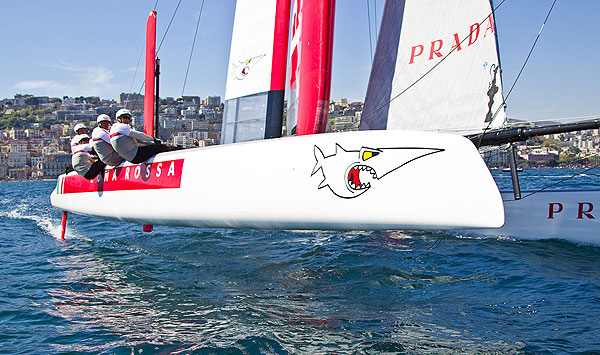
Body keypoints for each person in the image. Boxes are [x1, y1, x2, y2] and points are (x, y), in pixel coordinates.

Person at [110, 108, 175, 164]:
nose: (127, 120)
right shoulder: (122, 127)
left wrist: (151, 143)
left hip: (132, 158)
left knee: (154, 147)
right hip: (136, 154)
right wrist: (153, 139)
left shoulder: (113, 128)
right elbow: (139, 135)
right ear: (118, 118)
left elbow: (139, 140)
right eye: (125, 117)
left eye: (128, 118)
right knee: (162, 148)